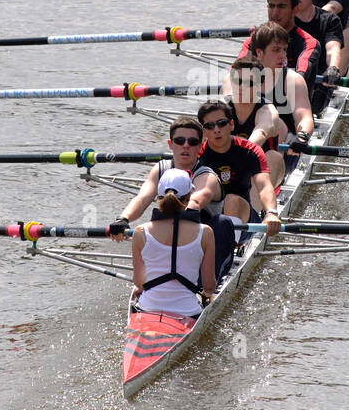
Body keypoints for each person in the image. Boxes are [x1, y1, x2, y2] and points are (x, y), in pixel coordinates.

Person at [110, 116, 236, 280]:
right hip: (169, 239)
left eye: (192, 142)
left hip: (203, 247)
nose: (185, 145)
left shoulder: (206, 175)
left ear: (199, 146)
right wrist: (123, 219)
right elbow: (143, 198)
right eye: (179, 140)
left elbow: (196, 201)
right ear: (171, 144)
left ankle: (207, 288)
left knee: (223, 223)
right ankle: (151, 281)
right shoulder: (160, 169)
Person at [129, 168, 216, 318]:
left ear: (158, 197)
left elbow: (139, 282)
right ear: (189, 196)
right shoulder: (205, 232)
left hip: (147, 308)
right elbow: (209, 285)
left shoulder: (140, 232)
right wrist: (207, 295)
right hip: (188, 312)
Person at [196, 100, 282, 237]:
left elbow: (264, 186)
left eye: (222, 123)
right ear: (204, 131)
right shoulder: (197, 154)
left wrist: (271, 212)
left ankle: (230, 247)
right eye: (210, 126)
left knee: (232, 200)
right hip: (208, 213)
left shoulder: (251, 150)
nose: (216, 129)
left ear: (231, 124)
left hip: (243, 218)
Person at [238, 0, 322, 95]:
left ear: (295, 9)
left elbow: (301, 74)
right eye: (271, 6)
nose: (275, 13)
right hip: (261, 104)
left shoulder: (308, 43)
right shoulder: (253, 41)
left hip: (293, 105)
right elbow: (236, 71)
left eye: (281, 7)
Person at [280, 0, 343, 111]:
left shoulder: (329, 20)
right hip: (283, 80)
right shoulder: (281, 20)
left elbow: (332, 48)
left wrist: (333, 67)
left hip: (318, 81)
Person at [222, 53, 289, 186]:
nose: (242, 87)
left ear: (260, 84)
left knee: (273, 157)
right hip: (227, 169)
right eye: (237, 81)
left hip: (259, 173)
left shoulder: (268, 112)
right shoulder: (221, 108)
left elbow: (261, 134)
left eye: (249, 83)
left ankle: (259, 206)